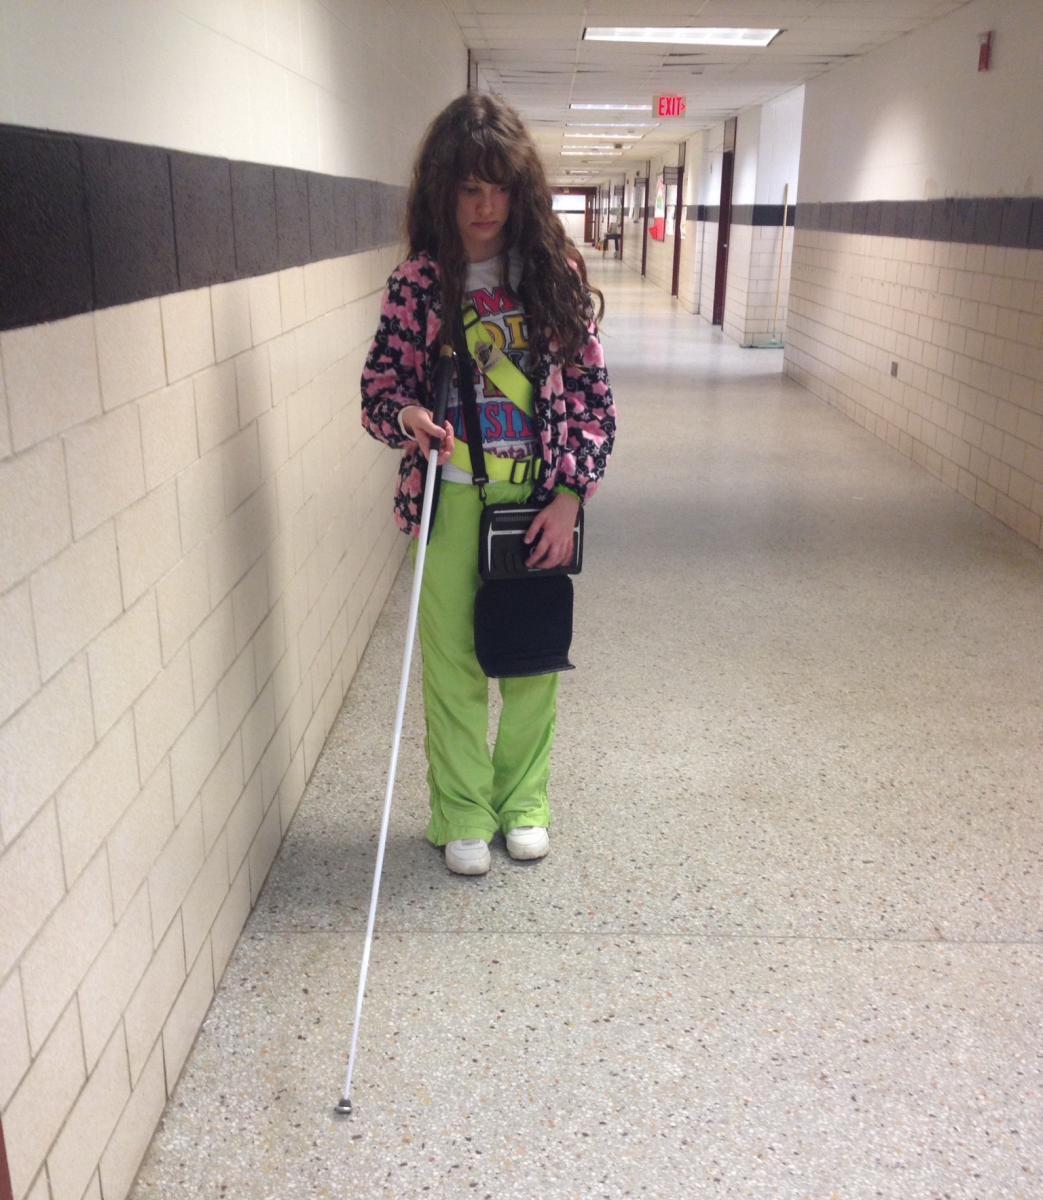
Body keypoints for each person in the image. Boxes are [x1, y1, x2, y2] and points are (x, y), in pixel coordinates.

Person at [360, 92, 616, 876]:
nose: (485, 206)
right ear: (442, 190)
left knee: (533, 660)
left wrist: (570, 496)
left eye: (499, 187)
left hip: (537, 498)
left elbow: (593, 401)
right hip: (447, 502)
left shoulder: (553, 275)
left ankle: (524, 803)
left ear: (521, 189)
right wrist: (408, 420)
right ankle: (462, 812)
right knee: (453, 666)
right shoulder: (418, 284)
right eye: (469, 189)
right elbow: (378, 391)